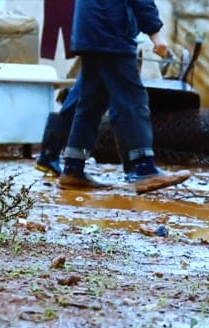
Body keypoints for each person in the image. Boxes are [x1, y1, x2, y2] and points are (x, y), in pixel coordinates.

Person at [58, 0, 191, 194]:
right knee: (132, 99)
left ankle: (73, 167)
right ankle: (143, 168)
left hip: (89, 32)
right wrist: (156, 34)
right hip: (111, 31)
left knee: (91, 103)